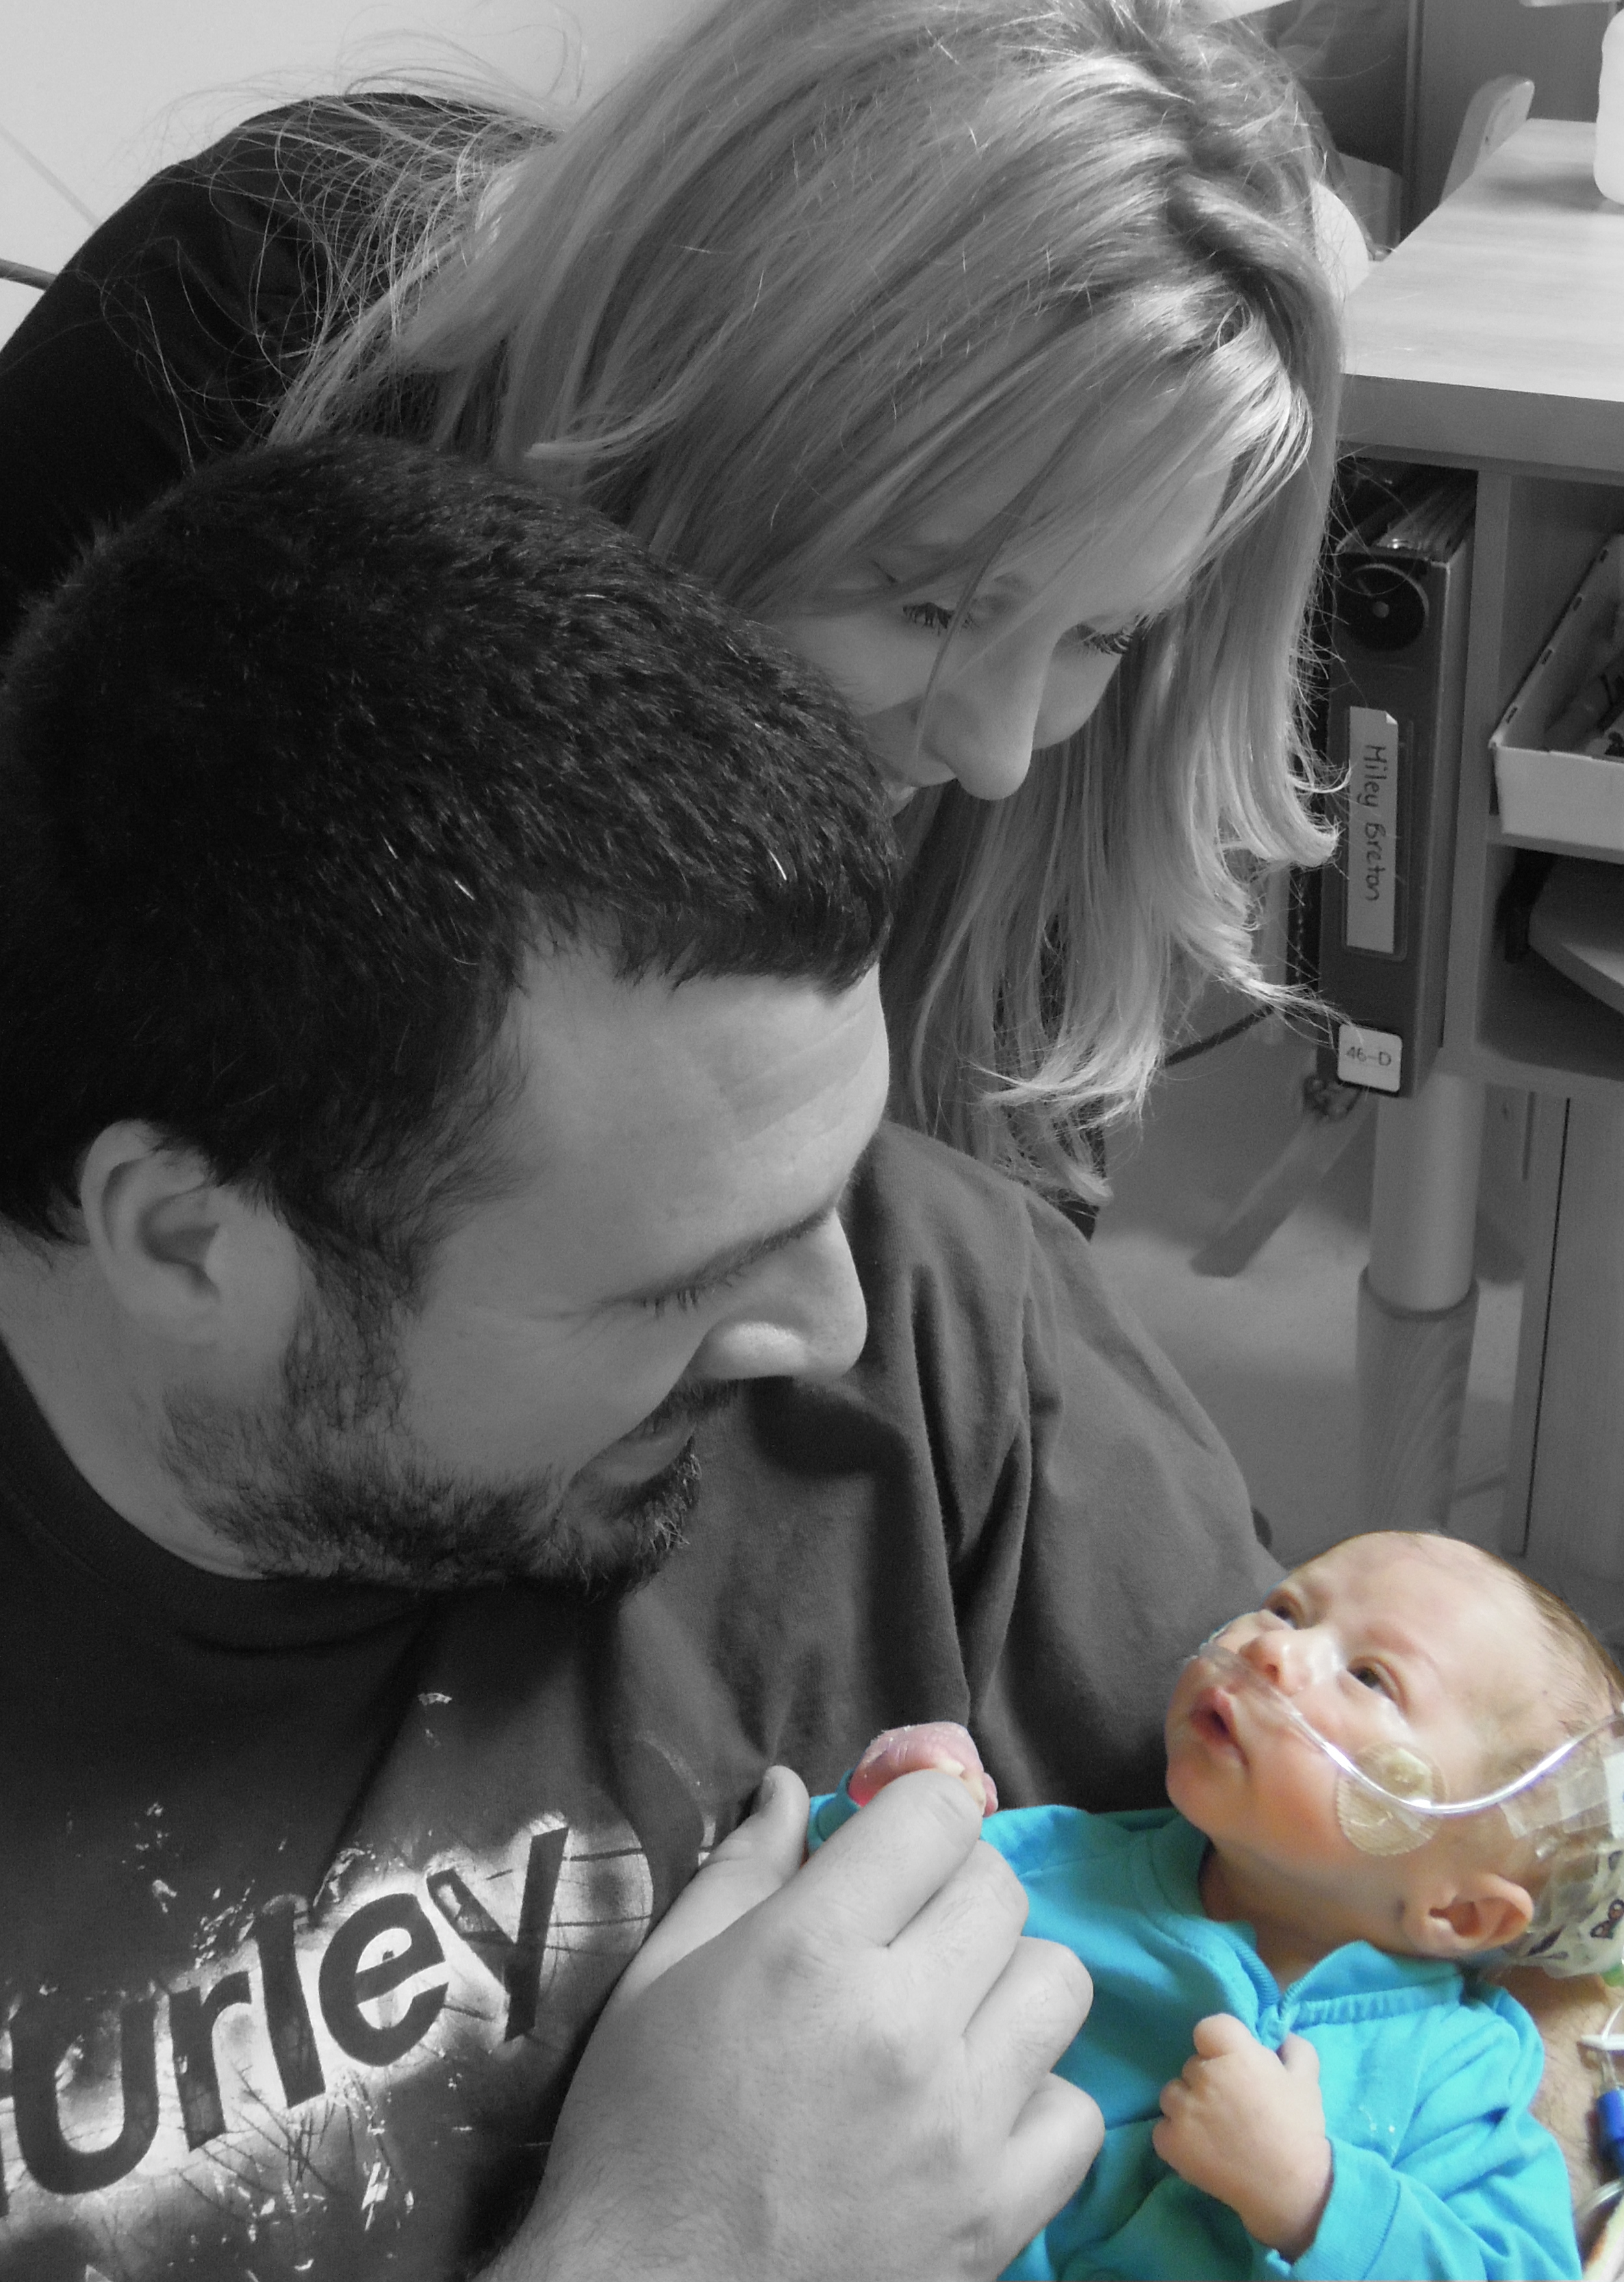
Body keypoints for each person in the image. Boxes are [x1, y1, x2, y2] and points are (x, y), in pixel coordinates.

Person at [0, 435, 1280, 2280]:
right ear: (192, 1240)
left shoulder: (944, 1322)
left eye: (832, 1181)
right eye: (681, 1283)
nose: (832, 1329)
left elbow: (1484, 1972)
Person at [0, 0, 1343, 1210]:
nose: (996, 754)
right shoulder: (236, 339)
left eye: (1104, 632)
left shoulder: (1039, 787)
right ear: (678, 421)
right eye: (927, 607)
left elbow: (977, 1300)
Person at [815, 1530, 1612, 2278]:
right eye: (1287, 1608)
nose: (1272, 1648)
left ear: (1461, 1914)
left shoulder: (1456, 2073)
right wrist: (891, 1803)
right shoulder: (1064, 1867)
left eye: (1370, 1676)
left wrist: (1313, 2197)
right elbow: (825, 1920)